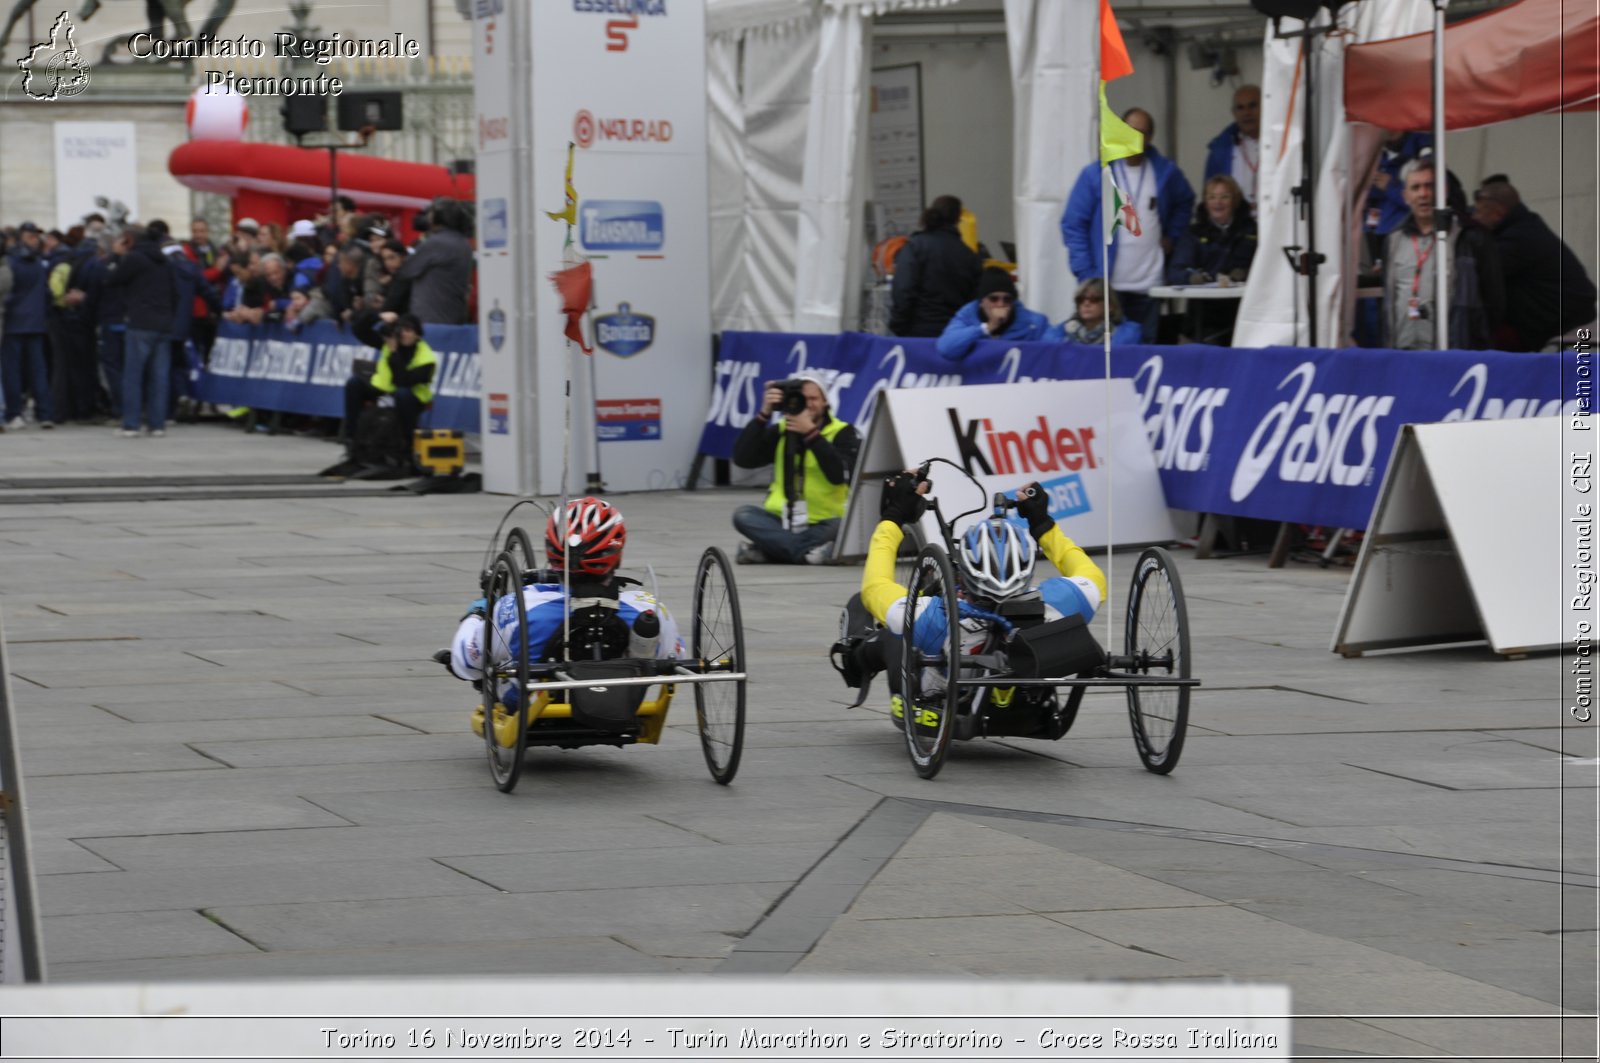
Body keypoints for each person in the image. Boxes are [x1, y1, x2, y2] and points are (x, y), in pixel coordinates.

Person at [830, 473, 1105, 730]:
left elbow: (874, 586)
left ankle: (854, 657)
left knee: (889, 632)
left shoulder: (934, 617)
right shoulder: (1058, 603)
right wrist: (1043, 525)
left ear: (967, 571)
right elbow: (1092, 577)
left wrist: (893, 517)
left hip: (944, 702)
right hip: (1035, 711)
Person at [440, 498, 684, 701]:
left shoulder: (523, 606)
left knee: (489, 644)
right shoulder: (650, 608)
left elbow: (468, 662)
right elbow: (678, 657)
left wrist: (478, 615)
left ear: (553, 553)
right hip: (625, 701)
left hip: (527, 699)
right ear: (616, 554)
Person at [1061, 108, 1194, 343]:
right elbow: (1073, 225)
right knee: (1108, 353)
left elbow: (1185, 201)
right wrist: (1087, 275)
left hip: (1149, 283)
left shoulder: (1164, 172)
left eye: (1141, 132)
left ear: (1150, 137)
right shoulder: (1096, 174)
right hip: (1108, 287)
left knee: (1144, 350)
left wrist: (1171, 236)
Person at [731, 372, 860, 565]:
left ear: (825, 401)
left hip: (824, 522)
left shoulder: (843, 432)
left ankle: (769, 551)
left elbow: (838, 475)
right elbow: (743, 459)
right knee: (743, 515)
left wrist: (811, 434)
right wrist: (764, 414)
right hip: (780, 520)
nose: (807, 404)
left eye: (813, 398)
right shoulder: (782, 429)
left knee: (844, 527)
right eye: (801, 398)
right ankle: (810, 554)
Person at [1383, 159, 1504, 350]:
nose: (1423, 194)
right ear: (1405, 196)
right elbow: (1389, 301)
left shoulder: (1471, 236)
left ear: (1444, 191)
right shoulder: (1394, 240)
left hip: (1454, 355)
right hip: (1404, 353)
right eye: (1415, 188)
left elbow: (1494, 302)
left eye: (1429, 186)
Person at [1471, 178, 1597, 351]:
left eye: (1479, 212)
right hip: (1561, 314)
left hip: (1559, 319)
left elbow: (1478, 273)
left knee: (1478, 339)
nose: (1474, 217)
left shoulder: (1517, 239)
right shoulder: (1523, 227)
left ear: (1497, 213)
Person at [102, 222, 176, 437]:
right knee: (159, 377)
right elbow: (175, 291)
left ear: (129, 240)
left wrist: (116, 256)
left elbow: (111, 280)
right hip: (163, 322)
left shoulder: (133, 258)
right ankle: (157, 424)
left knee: (133, 375)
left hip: (141, 322)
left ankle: (131, 423)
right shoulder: (164, 260)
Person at [1165, 174, 1258, 344]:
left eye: (1224, 197)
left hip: (1243, 317)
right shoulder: (1194, 233)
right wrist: (1191, 278)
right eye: (1212, 197)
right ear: (1206, 202)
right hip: (1203, 318)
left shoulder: (1251, 231)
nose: (1218, 202)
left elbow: (1265, 268)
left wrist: (1245, 273)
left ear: (1235, 200)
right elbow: (1175, 271)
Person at [888, 194, 982, 338]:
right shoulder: (969, 254)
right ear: (958, 219)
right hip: (955, 333)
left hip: (918, 330)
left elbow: (903, 289)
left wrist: (898, 325)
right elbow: (975, 299)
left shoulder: (915, 246)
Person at [344, 311, 437, 448]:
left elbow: (402, 380)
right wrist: (378, 316)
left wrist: (394, 352)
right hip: (383, 388)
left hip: (412, 396)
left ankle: (407, 442)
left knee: (402, 393)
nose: (404, 334)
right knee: (354, 384)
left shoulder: (427, 359)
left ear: (417, 334)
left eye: (408, 330)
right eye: (401, 330)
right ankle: (353, 437)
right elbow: (359, 330)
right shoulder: (389, 342)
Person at [2, 221, 56, 430]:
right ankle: (45, 413)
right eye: (32, 236)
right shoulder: (39, 262)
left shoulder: (10, 261)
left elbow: (8, 291)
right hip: (35, 322)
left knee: (13, 370)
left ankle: (15, 413)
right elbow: (46, 292)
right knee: (38, 369)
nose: (35, 240)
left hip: (14, 322)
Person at [935, 267, 1049, 359]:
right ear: (981, 302)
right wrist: (987, 328)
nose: (1000, 304)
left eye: (1007, 299)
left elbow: (1054, 351)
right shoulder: (966, 317)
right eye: (993, 299)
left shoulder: (1034, 323)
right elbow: (946, 349)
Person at [392, 198, 473, 325]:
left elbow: (407, 270)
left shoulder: (436, 243)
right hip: (454, 314)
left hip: (429, 316)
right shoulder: (463, 243)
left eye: (429, 213)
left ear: (438, 217)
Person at [1204, 85, 1262, 209]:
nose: (1247, 113)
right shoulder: (1220, 150)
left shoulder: (1281, 145)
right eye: (1240, 108)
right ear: (1234, 113)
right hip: (1237, 225)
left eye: (1252, 106)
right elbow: (1209, 195)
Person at [1043, 278, 1142, 345]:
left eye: (1094, 299)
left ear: (1110, 306)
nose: (1086, 304)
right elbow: (1047, 345)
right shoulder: (1062, 330)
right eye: (1081, 299)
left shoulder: (1129, 331)